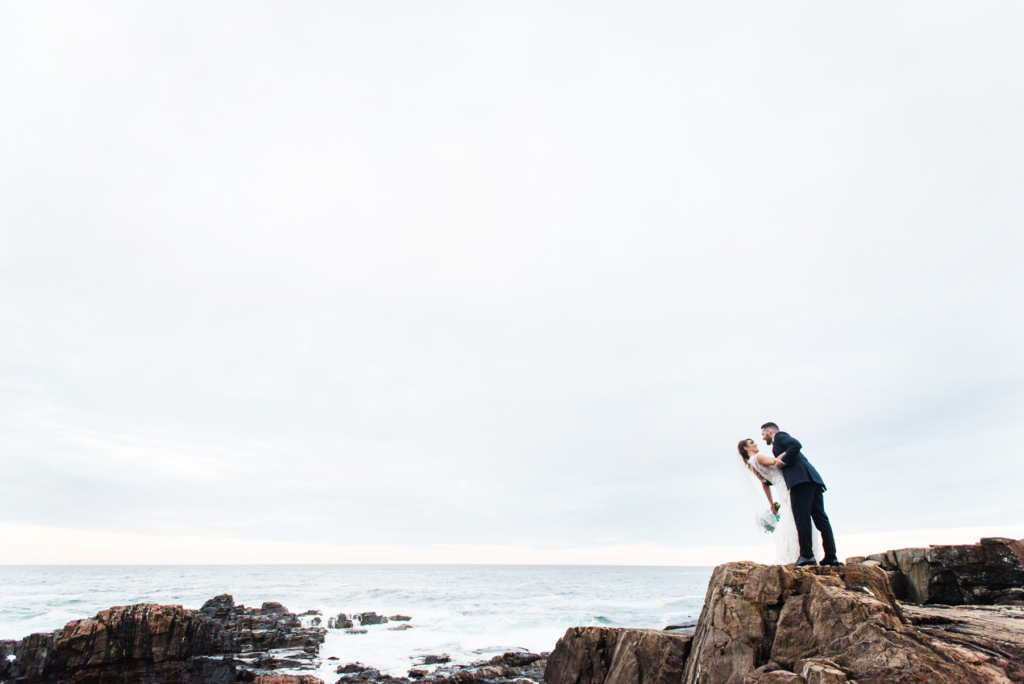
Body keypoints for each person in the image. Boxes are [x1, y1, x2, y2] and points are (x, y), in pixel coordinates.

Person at [760, 422, 839, 566]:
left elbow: (796, 444)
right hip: (812, 479)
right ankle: (831, 557)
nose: (763, 438)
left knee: (802, 519)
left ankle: (807, 556)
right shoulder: (780, 443)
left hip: (800, 482)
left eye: (763, 434)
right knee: (821, 519)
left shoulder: (780, 437)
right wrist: (768, 480)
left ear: (770, 431)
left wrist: (783, 461)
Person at [736, 438, 822, 564]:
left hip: (780, 488)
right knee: (796, 517)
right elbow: (776, 462)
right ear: (746, 448)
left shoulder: (752, 463)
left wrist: (771, 503)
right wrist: (788, 451)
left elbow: (764, 484)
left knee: (791, 516)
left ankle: (796, 552)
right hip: (785, 486)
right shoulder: (758, 457)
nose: (755, 444)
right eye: (752, 443)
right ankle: (799, 552)